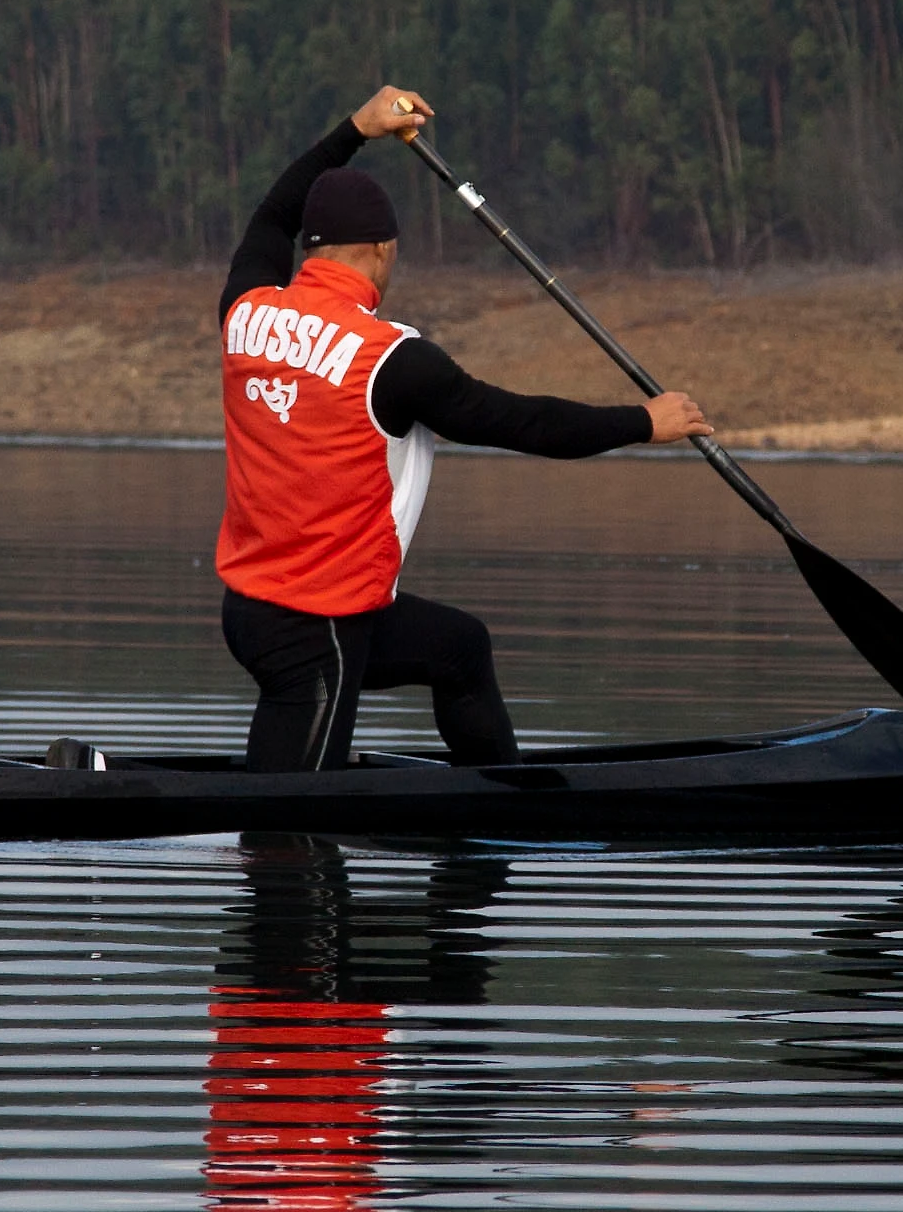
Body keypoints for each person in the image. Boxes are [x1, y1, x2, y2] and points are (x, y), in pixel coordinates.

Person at [215, 85, 706, 771]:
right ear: (384, 250)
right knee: (290, 838)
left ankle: (504, 802)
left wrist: (355, 128)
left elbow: (271, 212)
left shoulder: (244, 310)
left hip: (254, 610)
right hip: (315, 626)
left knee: (458, 649)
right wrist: (640, 423)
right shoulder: (391, 359)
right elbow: (519, 421)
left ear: (310, 248)